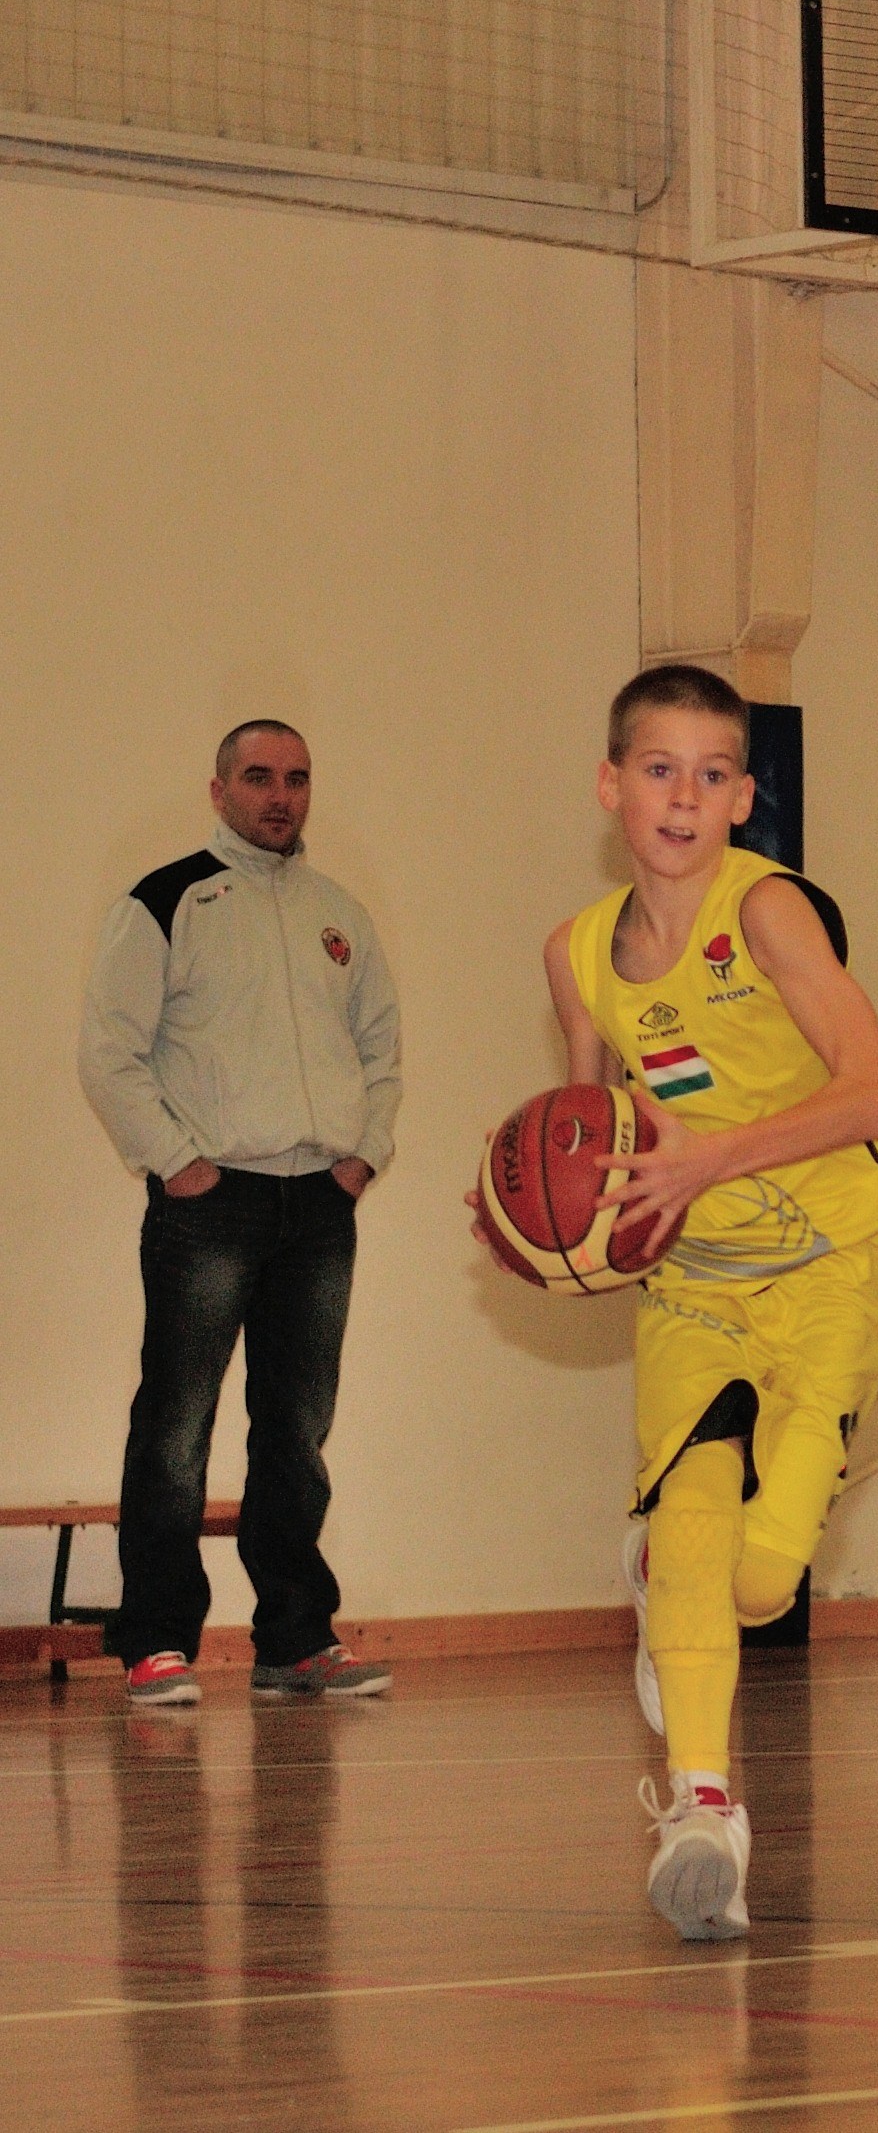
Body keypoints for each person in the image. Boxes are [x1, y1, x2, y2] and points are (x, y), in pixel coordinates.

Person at [485, 664, 878, 1941]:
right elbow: (592, 1130)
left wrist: (709, 1159)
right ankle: (702, 1811)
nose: (683, 797)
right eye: (659, 770)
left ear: (741, 797)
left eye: (711, 774)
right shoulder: (574, 955)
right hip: (696, 1279)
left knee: (763, 1579)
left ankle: (681, 1594)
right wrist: (539, 1222)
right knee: (691, 1525)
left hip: (834, 1252)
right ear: (610, 785)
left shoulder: (768, 912)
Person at [79, 721, 401, 1707]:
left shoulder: (340, 915)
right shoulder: (167, 901)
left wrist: (361, 1157)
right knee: (177, 1426)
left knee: (296, 1430)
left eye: (296, 779)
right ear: (219, 791)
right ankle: (156, 1641)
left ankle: (295, 1640)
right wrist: (179, 1165)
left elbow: (381, 1051)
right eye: (259, 777)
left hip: (320, 1207)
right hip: (209, 1204)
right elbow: (109, 1054)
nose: (280, 795)